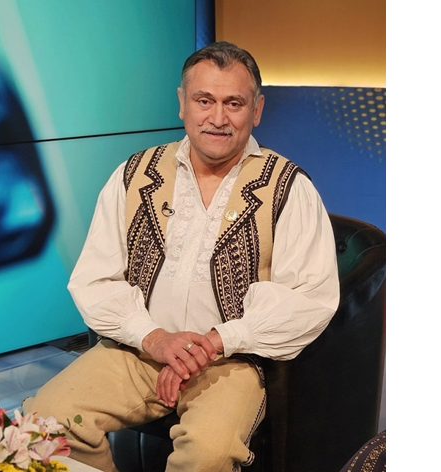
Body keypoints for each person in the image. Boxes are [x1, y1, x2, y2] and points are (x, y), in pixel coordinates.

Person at [22, 41, 339, 472]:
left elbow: (310, 298)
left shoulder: (289, 187)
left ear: (257, 110)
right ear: (182, 103)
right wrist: (154, 338)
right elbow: (95, 280)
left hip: (232, 362)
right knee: (44, 423)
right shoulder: (134, 174)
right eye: (204, 100)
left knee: (208, 452)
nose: (218, 118)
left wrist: (214, 343)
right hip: (140, 351)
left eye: (234, 103)